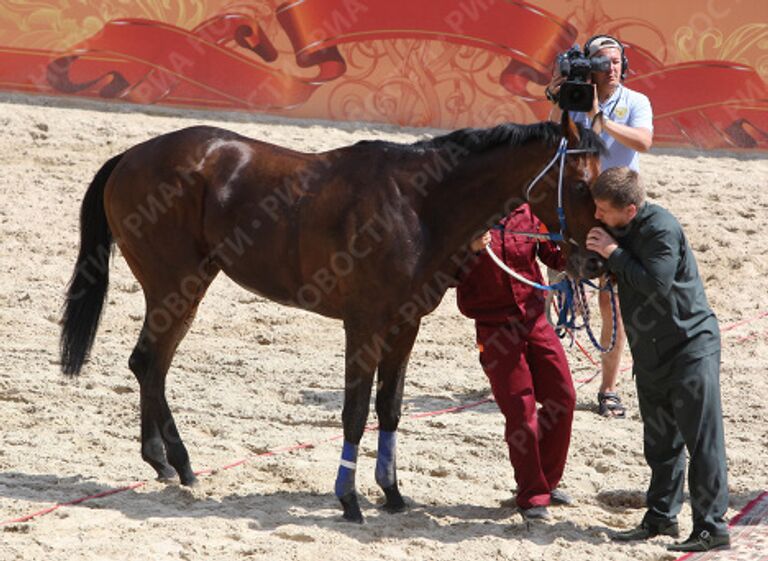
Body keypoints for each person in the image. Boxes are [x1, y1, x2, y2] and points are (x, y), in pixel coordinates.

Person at [585, 167, 729, 553]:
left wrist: (613, 253)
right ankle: (661, 517)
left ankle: (711, 528)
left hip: (690, 347)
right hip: (650, 351)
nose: (596, 216)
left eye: (602, 210)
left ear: (630, 209)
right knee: (661, 441)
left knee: (702, 443)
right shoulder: (621, 228)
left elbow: (655, 283)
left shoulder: (662, 228)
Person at [545, 34, 654, 418]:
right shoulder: (575, 100)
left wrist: (599, 120)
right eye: (603, 62)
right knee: (554, 288)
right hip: (577, 207)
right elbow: (549, 143)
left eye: (616, 61)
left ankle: (608, 389)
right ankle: (545, 376)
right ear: (590, 67)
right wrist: (556, 96)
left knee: (613, 302)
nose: (612, 68)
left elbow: (643, 142)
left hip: (619, 209)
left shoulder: (635, 101)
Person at [456, 204, 576, 520]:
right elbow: (443, 272)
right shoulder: (466, 209)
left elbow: (555, 257)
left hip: (536, 319)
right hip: (494, 325)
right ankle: (532, 495)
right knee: (520, 410)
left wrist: (576, 245)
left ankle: (546, 484)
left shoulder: (531, 210)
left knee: (563, 397)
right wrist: (467, 249)